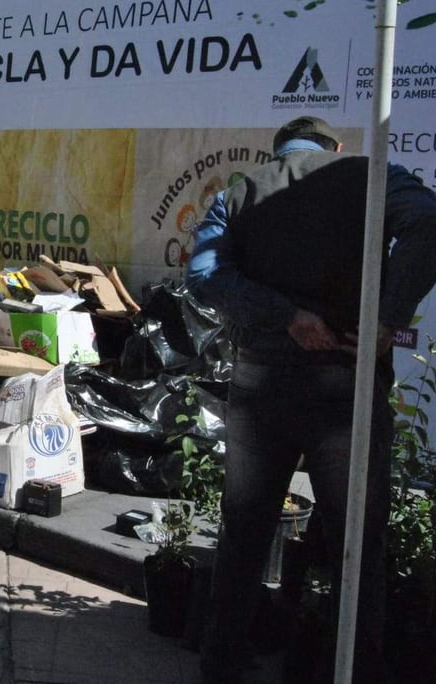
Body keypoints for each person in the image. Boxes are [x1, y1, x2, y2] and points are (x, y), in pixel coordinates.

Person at [186, 116, 436, 683]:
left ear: (279, 151)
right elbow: (427, 219)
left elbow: (204, 275)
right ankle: (351, 669)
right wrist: (384, 318)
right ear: (335, 147)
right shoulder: (367, 176)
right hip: (345, 389)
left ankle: (222, 664)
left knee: (245, 533)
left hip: (261, 385)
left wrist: (284, 317)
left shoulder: (241, 190)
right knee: (357, 543)